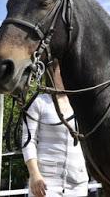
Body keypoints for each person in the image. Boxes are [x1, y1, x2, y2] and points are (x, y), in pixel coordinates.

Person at [22, 64, 89, 197]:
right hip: (45, 185)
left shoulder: (80, 103)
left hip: (78, 183)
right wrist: (35, 175)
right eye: (62, 70)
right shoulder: (39, 102)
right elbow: (28, 141)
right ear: (52, 73)